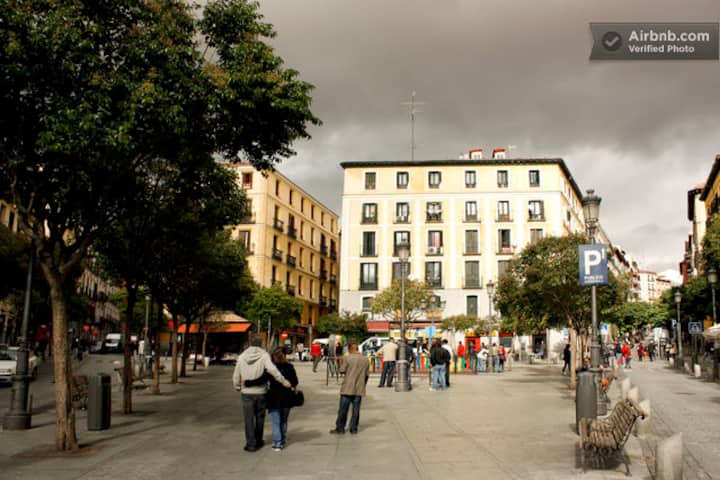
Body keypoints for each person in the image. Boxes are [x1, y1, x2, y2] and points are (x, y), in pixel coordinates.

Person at [232, 335, 292, 452]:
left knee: (248, 419)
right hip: (261, 392)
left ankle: (251, 444)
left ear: (250, 343)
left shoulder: (242, 356)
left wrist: (237, 386)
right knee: (260, 417)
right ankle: (258, 440)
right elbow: (273, 370)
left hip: (246, 393)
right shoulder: (264, 355)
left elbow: (236, 374)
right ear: (261, 344)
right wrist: (284, 381)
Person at [244, 347, 299, 451]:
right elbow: (295, 381)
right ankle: (282, 440)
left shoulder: (271, 368)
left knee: (275, 422)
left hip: (274, 397)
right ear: (284, 355)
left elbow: (261, 380)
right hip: (287, 397)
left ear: (273, 357)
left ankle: (277, 443)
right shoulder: (290, 367)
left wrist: (247, 382)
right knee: (284, 421)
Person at [330, 342, 369, 434]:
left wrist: (341, 362)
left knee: (343, 409)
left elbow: (342, 370)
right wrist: (363, 384)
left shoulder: (347, 358)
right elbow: (367, 375)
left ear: (350, 349)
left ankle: (340, 428)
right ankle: (353, 428)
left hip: (347, 387)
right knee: (356, 410)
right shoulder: (365, 359)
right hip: (359, 388)